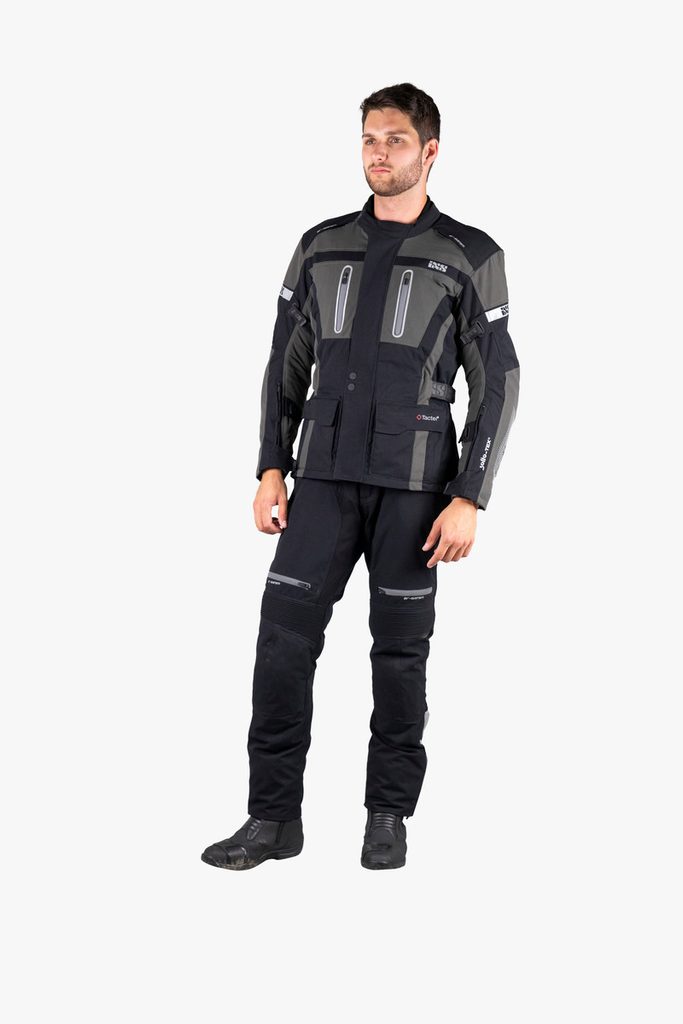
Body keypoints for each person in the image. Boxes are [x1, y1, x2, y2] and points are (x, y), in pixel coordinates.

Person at [201, 82, 520, 871]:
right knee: (281, 647)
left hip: (414, 491)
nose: (379, 153)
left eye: (395, 140)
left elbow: (498, 381)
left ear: (430, 151)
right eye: (370, 139)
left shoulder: (470, 253)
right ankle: (272, 819)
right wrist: (270, 467)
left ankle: (387, 816)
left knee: (399, 656)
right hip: (320, 483)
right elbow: (285, 361)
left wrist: (469, 496)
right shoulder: (321, 244)